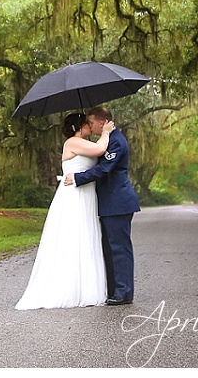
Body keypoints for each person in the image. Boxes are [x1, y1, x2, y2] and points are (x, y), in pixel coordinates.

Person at [15, 113, 116, 310]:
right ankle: (68, 288)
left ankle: (84, 286)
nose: (90, 126)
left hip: (85, 195)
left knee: (84, 237)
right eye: (87, 123)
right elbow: (99, 149)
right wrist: (106, 132)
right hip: (74, 196)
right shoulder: (73, 142)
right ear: (79, 126)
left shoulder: (81, 142)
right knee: (73, 237)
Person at [64, 106, 140, 305]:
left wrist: (78, 178)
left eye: (90, 123)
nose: (89, 126)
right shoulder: (105, 140)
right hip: (108, 203)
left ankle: (124, 292)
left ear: (101, 122)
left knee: (119, 248)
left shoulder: (116, 142)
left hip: (118, 202)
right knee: (108, 248)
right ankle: (114, 290)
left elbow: (104, 169)